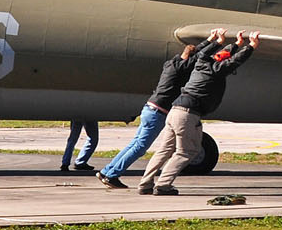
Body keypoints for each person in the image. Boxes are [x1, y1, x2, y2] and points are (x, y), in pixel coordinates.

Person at [96, 29, 226, 190]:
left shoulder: (171, 64)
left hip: (150, 108)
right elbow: (200, 56)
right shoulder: (182, 69)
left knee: (135, 144)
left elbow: (194, 53)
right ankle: (112, 174)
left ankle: (107, 171)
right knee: (140, 147)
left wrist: (210, 39)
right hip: (158, 112)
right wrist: (218, 43)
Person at [139, 30, 259, 196]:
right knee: (187, 151)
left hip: (174, 111)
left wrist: (233, 43)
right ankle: (163, 185)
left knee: (165, 150)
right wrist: (251, 46)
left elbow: (208, 53)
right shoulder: (216, 71)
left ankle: (145, 183)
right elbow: (234, 61)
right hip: (188, 114)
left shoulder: (201, 63)